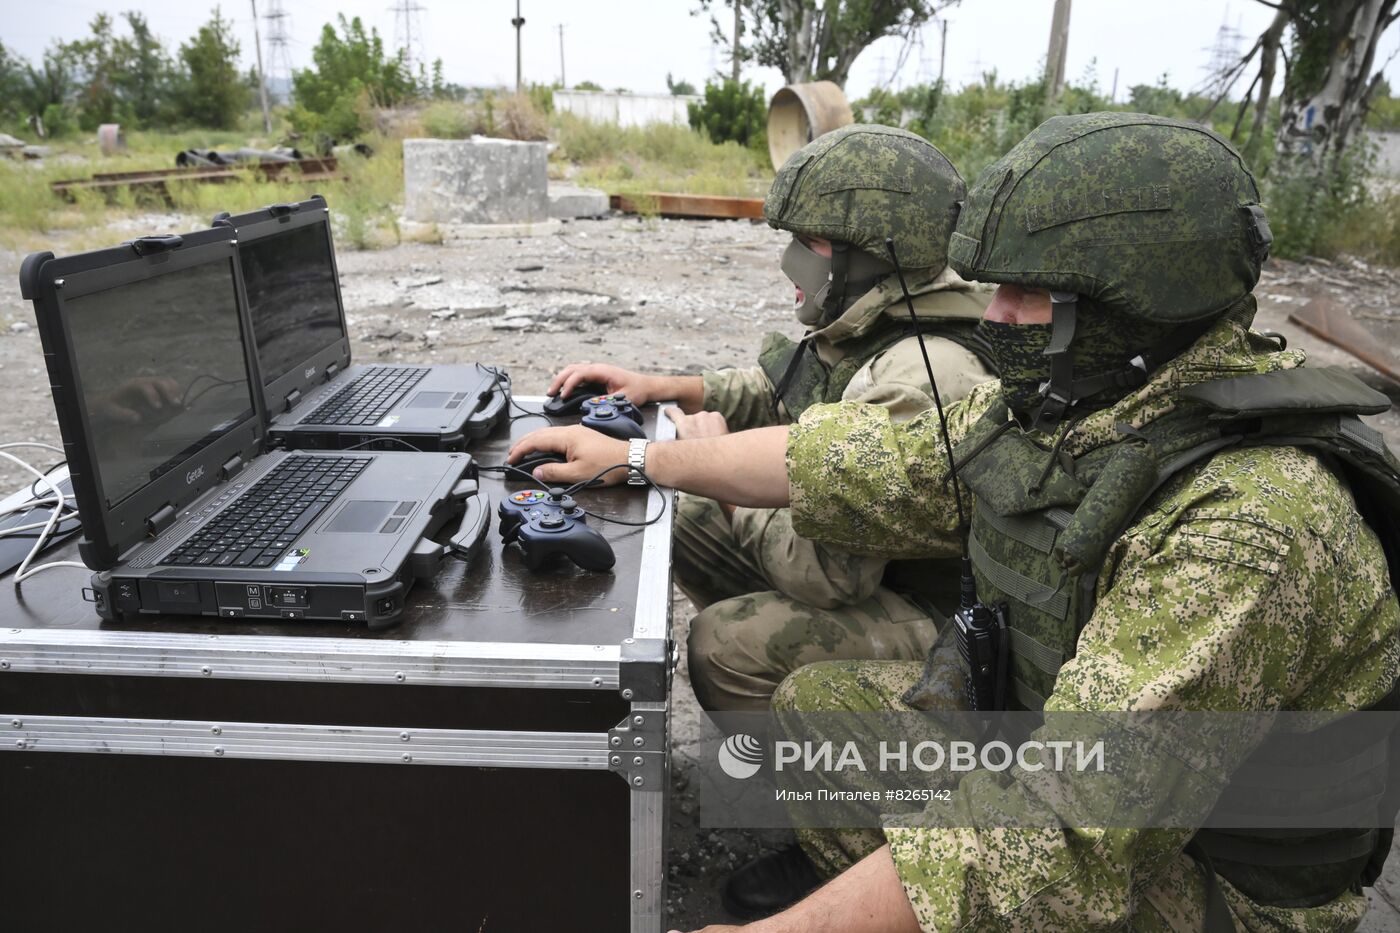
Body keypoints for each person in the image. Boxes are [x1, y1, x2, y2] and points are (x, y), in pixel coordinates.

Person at [514, 112, 1400, 931]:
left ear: (1138, 302)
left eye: (1028, 294)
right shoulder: (1094, 403)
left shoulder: (1251, 522)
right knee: (824, 711)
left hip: (1214, 884)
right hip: (1084, 763)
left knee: (995, 859)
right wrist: (640, 458)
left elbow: (1063, 831)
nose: (997, 314)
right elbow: (853, 464)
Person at [545, 124, 993, 714]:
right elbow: (794, 388)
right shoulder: (887, 311)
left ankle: (818, 777)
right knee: (686, 513)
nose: (791, 263)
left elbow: (828, 574)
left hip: (942, 615)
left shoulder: (926, 370)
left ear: (876, 251)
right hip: (875, 568)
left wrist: (701, 471)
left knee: (727, 642)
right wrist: (669, 388)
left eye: (811, 241)